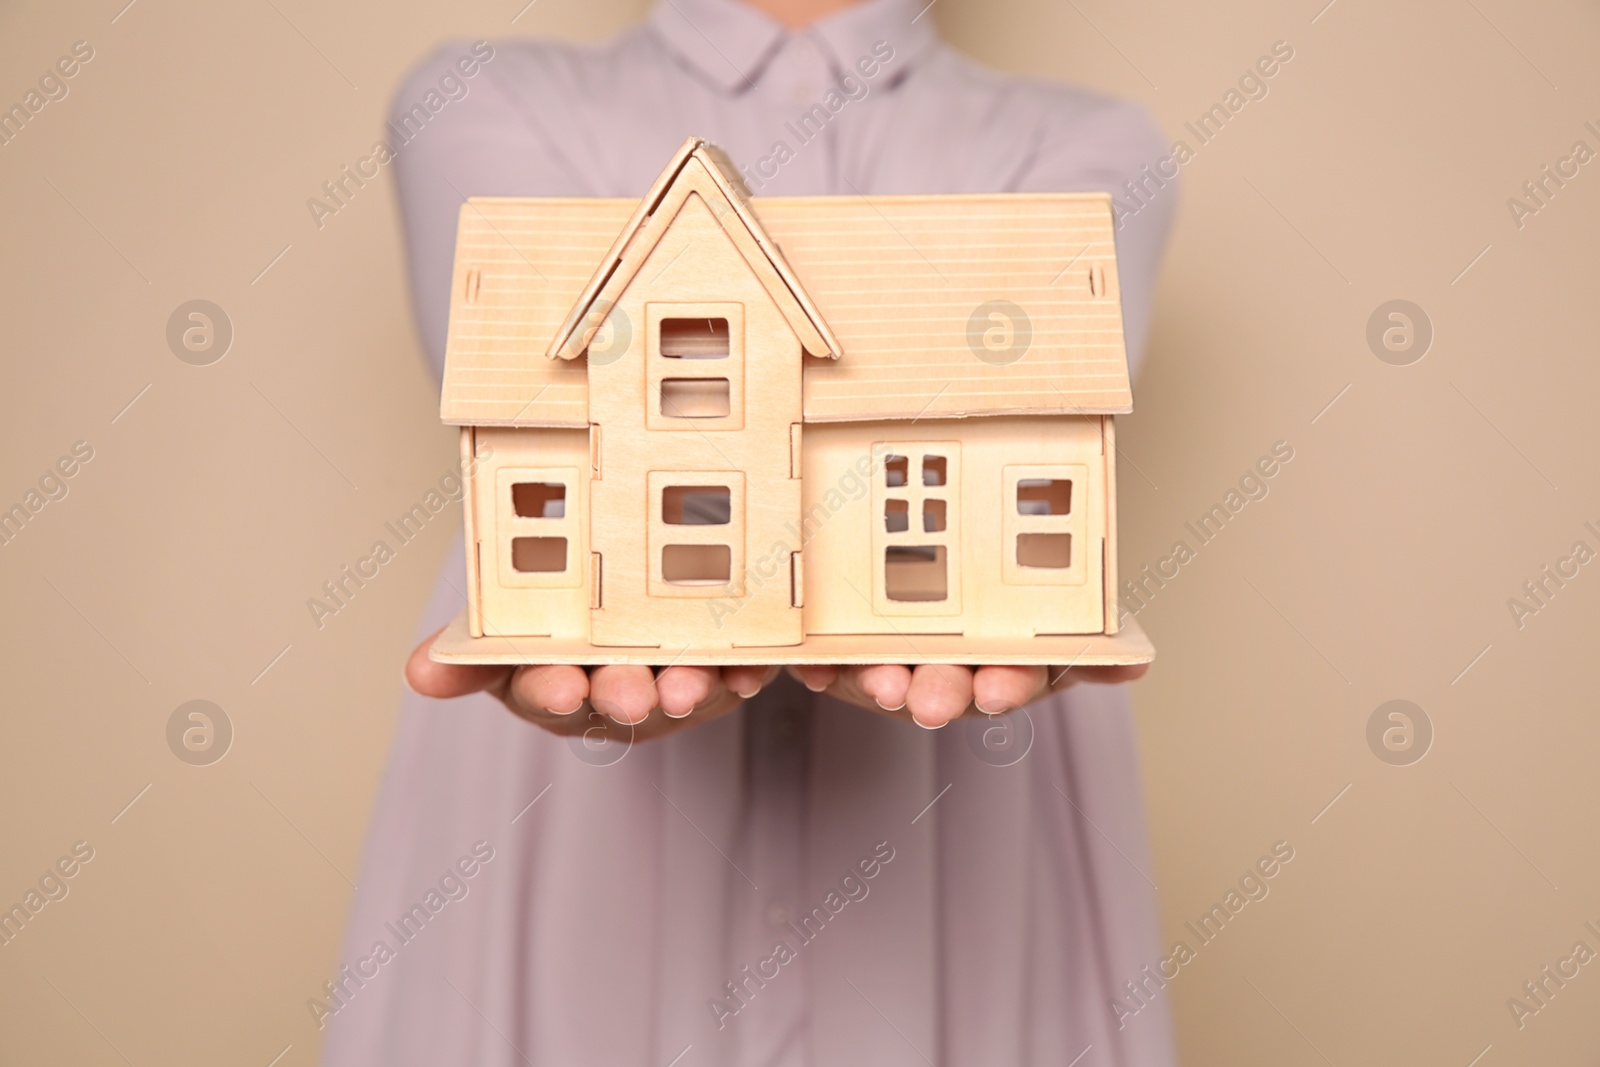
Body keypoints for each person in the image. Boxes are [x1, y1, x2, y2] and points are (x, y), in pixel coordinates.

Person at [322, 0, 1177, 1063]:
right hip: (572, 838)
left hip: (963, 812)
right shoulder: (480, 101)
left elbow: (1040, 385)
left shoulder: (1094, 146)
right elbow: (535, 380)